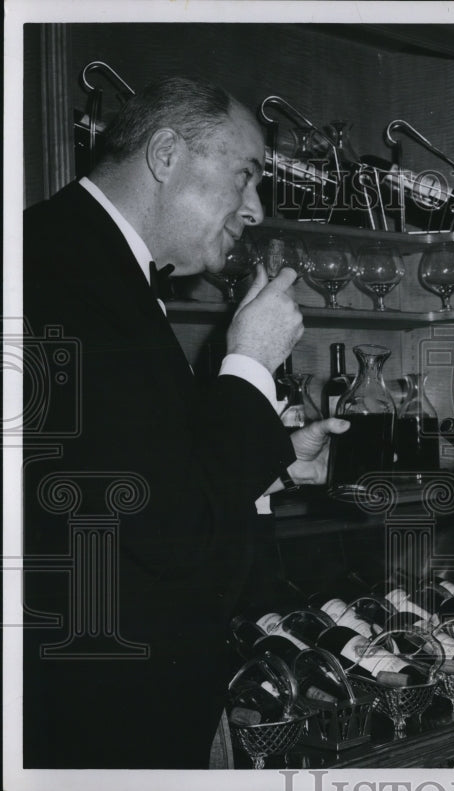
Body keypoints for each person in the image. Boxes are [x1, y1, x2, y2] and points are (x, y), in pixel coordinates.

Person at [21, 76, 347, 768]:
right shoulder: (56, 273)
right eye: (245, 176)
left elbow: (149, 476)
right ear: (167, 154)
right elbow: (170, 533)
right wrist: (252, 363)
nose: (255, 208)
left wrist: (276, 454)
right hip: (90, 725)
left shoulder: (92, 264)